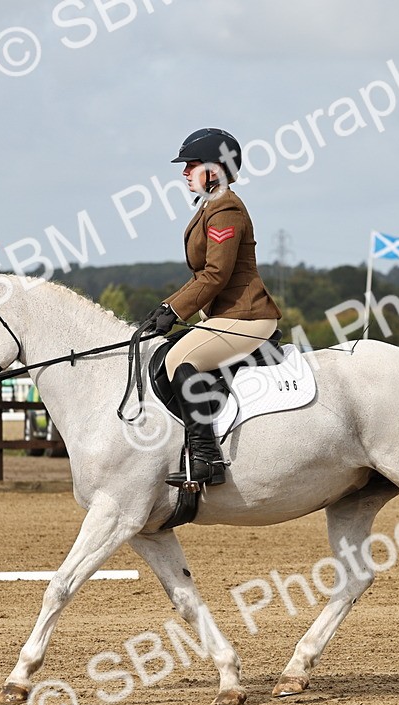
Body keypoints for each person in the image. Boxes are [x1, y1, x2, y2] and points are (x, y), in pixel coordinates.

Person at [143, 128, 282, 487]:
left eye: (192, 165)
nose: (184, 172)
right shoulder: (211, 206)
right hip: (226, 316)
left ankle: (207, 457)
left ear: (216, 168)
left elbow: (217, 274)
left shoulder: (226, 208)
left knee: (180, 361)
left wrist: (175, 311)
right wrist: (167, 306)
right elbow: (205, 274)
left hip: (247, 316)